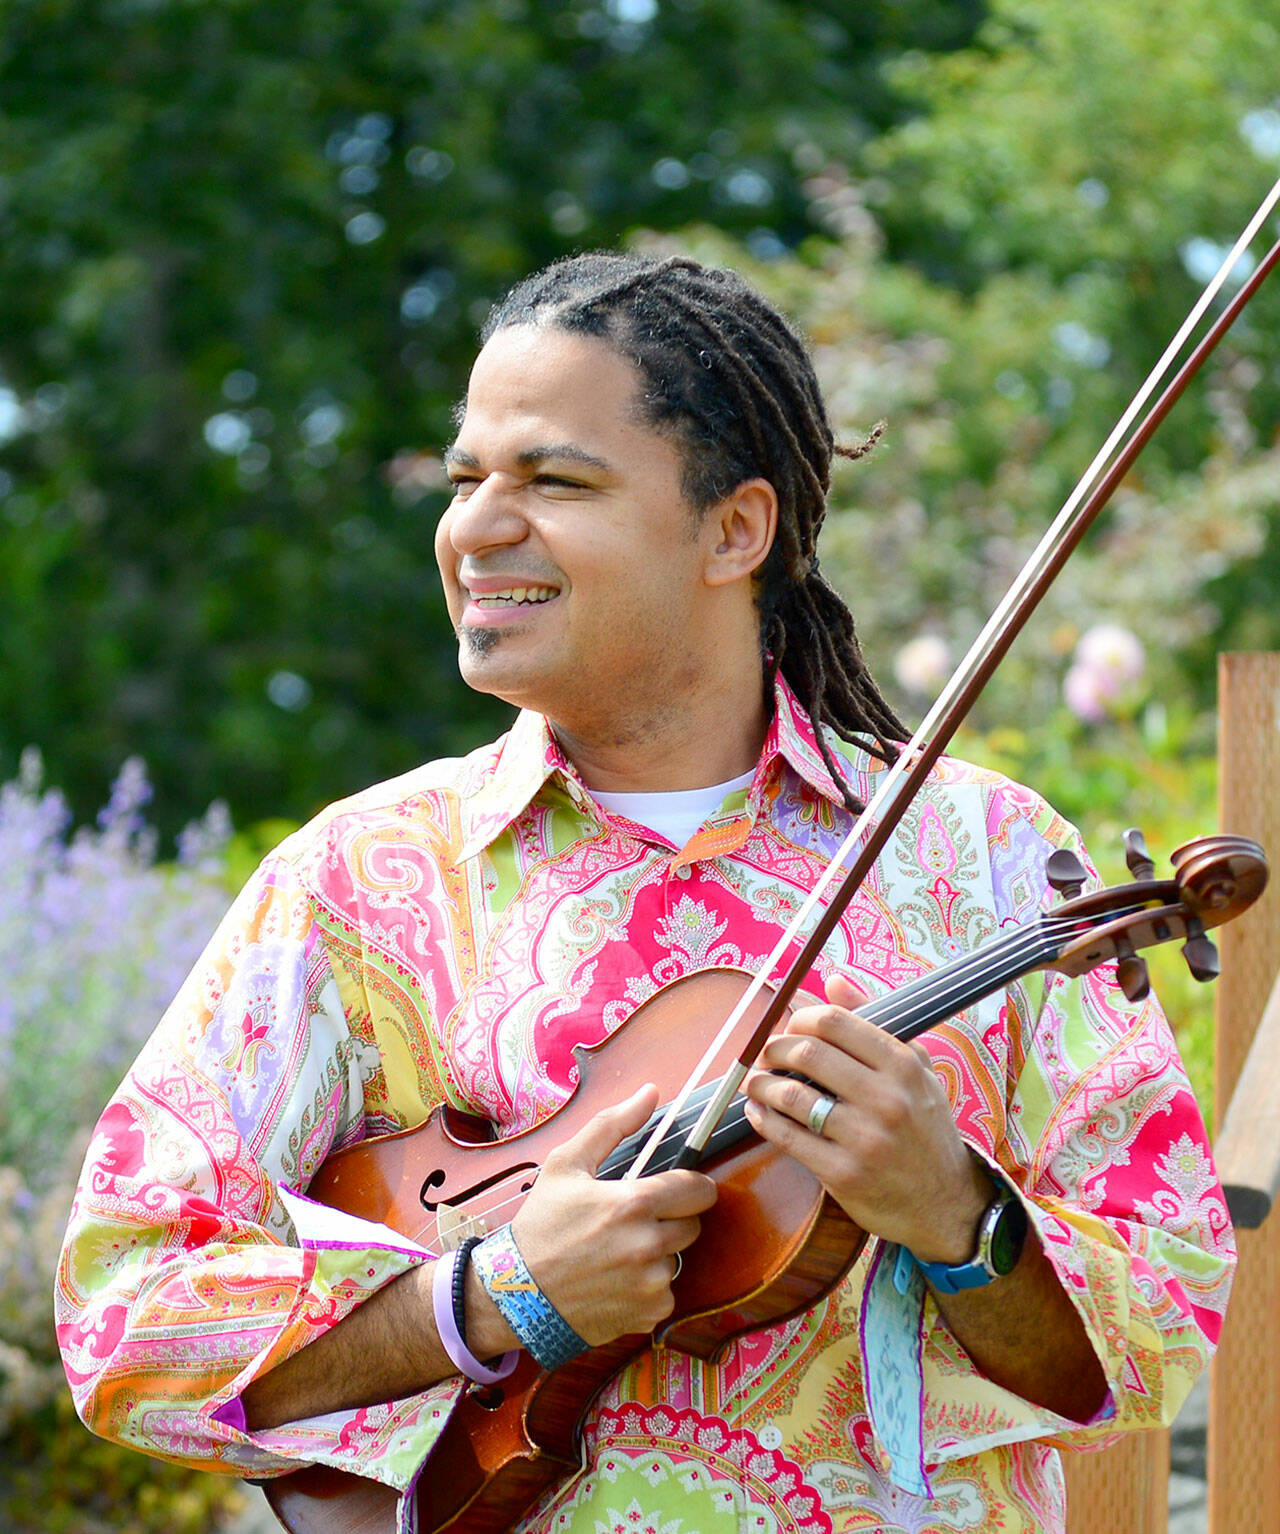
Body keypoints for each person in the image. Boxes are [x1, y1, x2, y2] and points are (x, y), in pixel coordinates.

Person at [57, 251, 1233, 1534]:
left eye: (553, 479)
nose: (476, 526)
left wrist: (953, 1212)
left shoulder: (986, 852)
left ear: (734, 528)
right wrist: (488, 1293)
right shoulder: (356, 877)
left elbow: (1163, 1322)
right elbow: (124, 1313)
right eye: (466, 480)